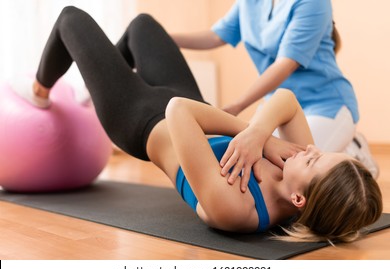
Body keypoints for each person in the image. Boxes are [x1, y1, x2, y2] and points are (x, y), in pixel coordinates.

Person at [12, 6, 382, 243]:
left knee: (71, 19)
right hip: (189, 99)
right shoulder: (297, 166)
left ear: (300, 199)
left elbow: (178, 113)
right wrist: (259, 138)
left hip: (140, 118)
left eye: (317, 159)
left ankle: (40, 91)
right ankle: (100, 82)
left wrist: (255, 135)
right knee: (143, 25)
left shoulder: (238, 210)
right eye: (323, 152)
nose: (313, 148)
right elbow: (286, 99)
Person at [171, 0, 379, 183]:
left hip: (326, 106)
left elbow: (285, 65)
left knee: (290, 172)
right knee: (249, 159)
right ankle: (343, 144)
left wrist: (237, 106)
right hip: (278, 108)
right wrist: (164, 38)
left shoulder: (313, 2)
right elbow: (216, 36)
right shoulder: (250, 2)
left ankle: (353, 147)